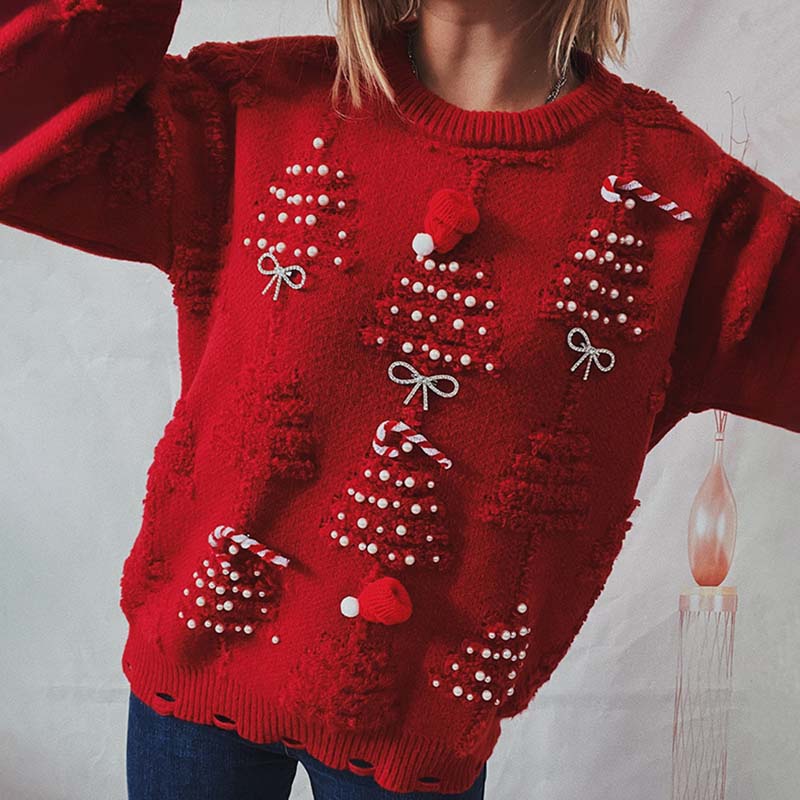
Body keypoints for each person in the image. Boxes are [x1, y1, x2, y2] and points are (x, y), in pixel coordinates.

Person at [2, 1, 798, 798]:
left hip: (418, 736)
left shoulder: (679, 201)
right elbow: (21, 121)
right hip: (192, 678)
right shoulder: (255, 108)